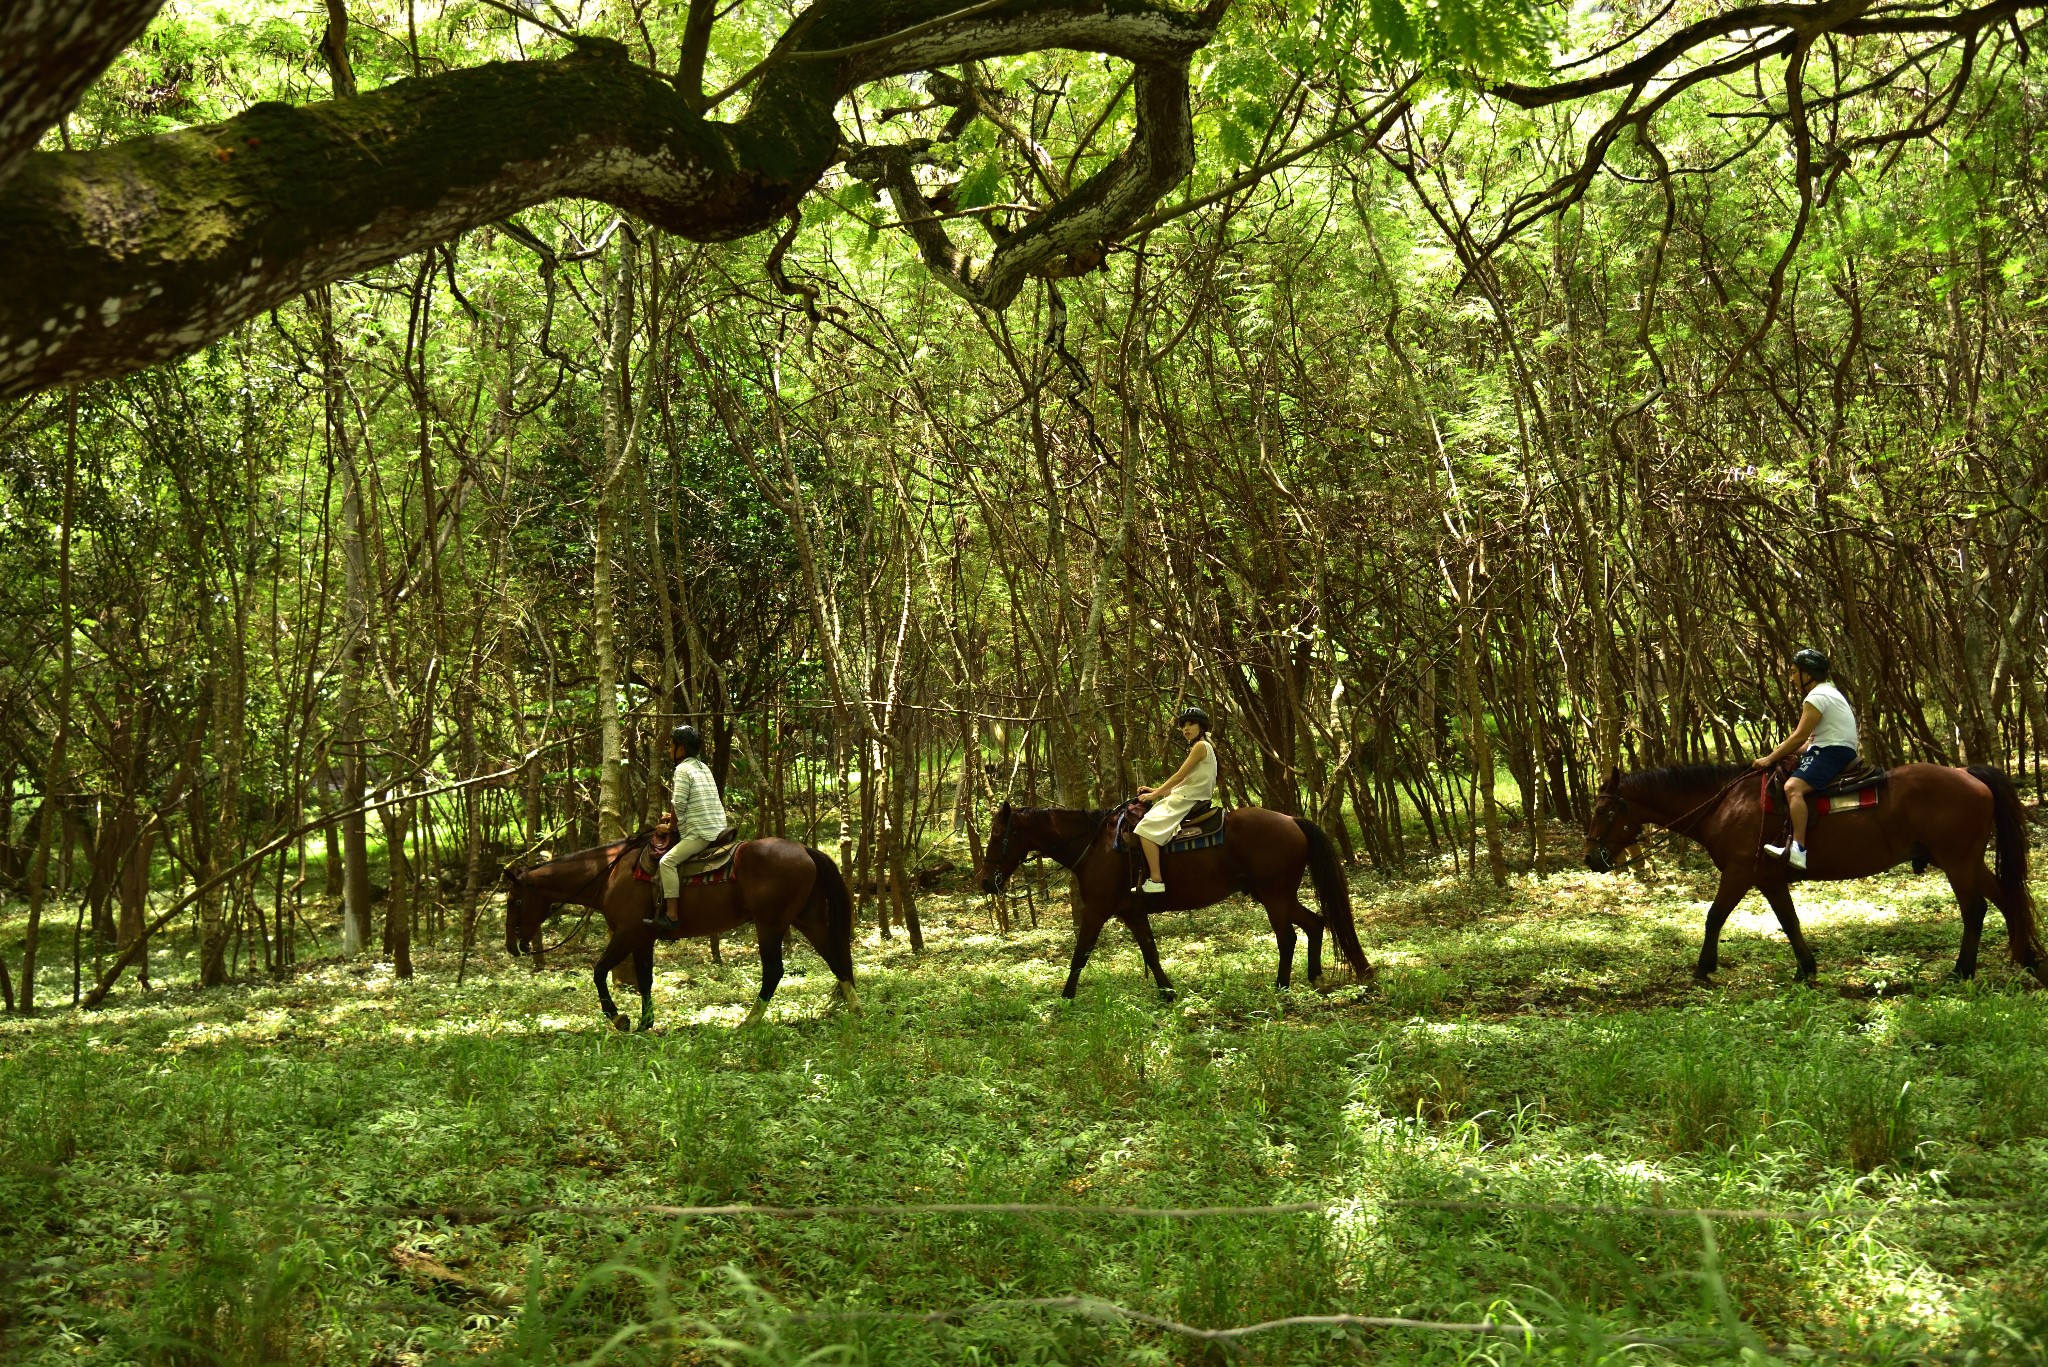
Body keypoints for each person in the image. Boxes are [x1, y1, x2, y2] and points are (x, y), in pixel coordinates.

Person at [1752, 648, 1858, 871]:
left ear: (1808, 674)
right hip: (1832, 748)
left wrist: (1769, 758)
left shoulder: (1816, 697)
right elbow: (1809, 742)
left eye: (1793, 672)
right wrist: (1786, 753)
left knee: (1793, 787)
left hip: (1832, 751)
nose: (1791, 678)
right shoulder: (1831, 692)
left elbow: (1799, 735)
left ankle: (1798, 849)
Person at [647, 724, 728, 932]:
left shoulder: (682, 769)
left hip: (701, 832)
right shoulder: (703, 766)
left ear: (681, 750)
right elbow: (690, 802)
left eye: (671, 745)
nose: (669, 749)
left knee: (667, 862)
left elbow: (680, 803)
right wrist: (672, 815)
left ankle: (671, 916)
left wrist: (670, 826)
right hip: (718, 827)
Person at [1133, 707, 1219, 894]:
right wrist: (1156, 790)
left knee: (1145, 828)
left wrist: (1154, 795)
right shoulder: (1204, 746)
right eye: (1183, 725)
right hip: (1189, 795)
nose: (1186, 728)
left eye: (1191, 724)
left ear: (1201, 727)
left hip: (1189, 798)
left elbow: (1180, 776)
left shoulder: (1200, 746)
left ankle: (1156, 880)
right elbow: (1190, 780)